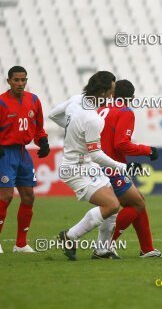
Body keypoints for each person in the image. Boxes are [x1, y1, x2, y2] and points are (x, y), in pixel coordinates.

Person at [48, 71, 141, 260]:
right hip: (77, 168)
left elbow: (53, 115)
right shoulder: (93, 119)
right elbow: (96, 154)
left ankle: (102, 250)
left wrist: (72, 129)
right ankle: (69, 236)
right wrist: (122, 167)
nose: (113, 95)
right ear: (103, 92)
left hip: (85, 165)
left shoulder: (76, 100)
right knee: (112, 204)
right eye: (112, 91)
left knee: (113, 204)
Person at [97, 79, 162, 257]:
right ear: (132, 97)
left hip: (98, 164)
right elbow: (121, 144)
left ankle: (147, 249)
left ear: (113, 94)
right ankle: (105, 246)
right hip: (112, 166)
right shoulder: (125, 112)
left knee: (138, 201)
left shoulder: (102, 109)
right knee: (137, 203)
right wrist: (147, 150)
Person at [0, 66, 50, 253]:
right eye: (16, 80)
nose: (20, 84)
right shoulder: (2, 102)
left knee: (29, 196)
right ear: (9, 81)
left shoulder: (33, 100)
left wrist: (43, 141)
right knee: (5, 196)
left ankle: (20, 244)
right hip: (5, 154)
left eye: (23, 80)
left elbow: (38, 127)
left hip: (22, 153)